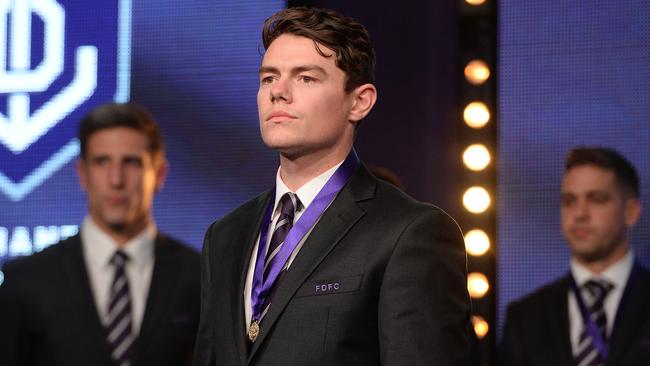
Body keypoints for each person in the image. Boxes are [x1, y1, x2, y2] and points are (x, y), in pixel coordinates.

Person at [193, 7, 469, 366]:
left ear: (359, 101)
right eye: (268, 78)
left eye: (305, 78)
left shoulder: (409, 234)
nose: (278, 92)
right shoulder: (225, 236)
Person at [0, 103, 201, 366]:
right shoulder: (25, 281)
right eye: (102, 162)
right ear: (83, 174)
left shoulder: (201, 278)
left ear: (159, 174)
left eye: (131, 162)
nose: (116, 179)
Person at [500, 147, 650, 366]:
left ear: (631, 212)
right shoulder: (525, 317)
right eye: (569, 201)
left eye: (596, 199)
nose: (579, 213)